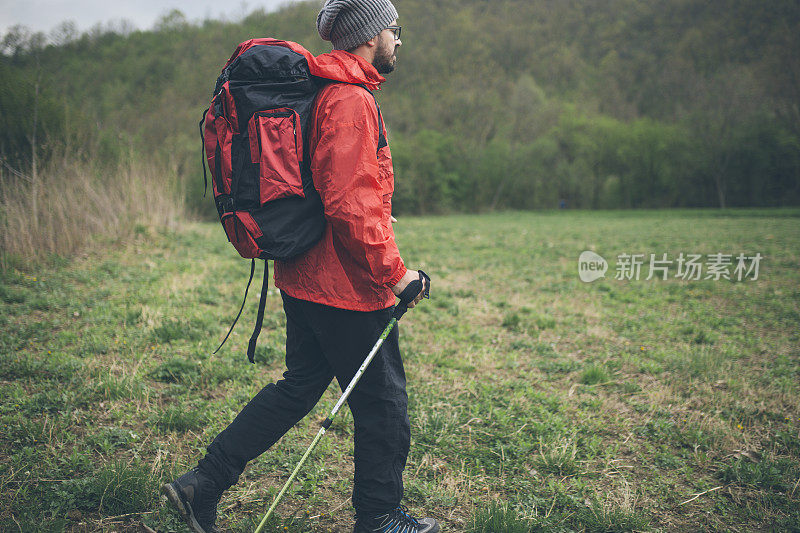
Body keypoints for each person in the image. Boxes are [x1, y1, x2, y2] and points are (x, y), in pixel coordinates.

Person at [161, 1, 440, 532]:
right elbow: (349, 205)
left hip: (304, 277)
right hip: (347, 287)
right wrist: (396, 274)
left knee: (298, 386)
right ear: (368, 37)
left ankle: (202, 482)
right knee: (383, 407)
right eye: (393, 30)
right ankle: (379, 519)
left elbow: (340, 195)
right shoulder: (350, 100)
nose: (399, 41)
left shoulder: (323, 93)